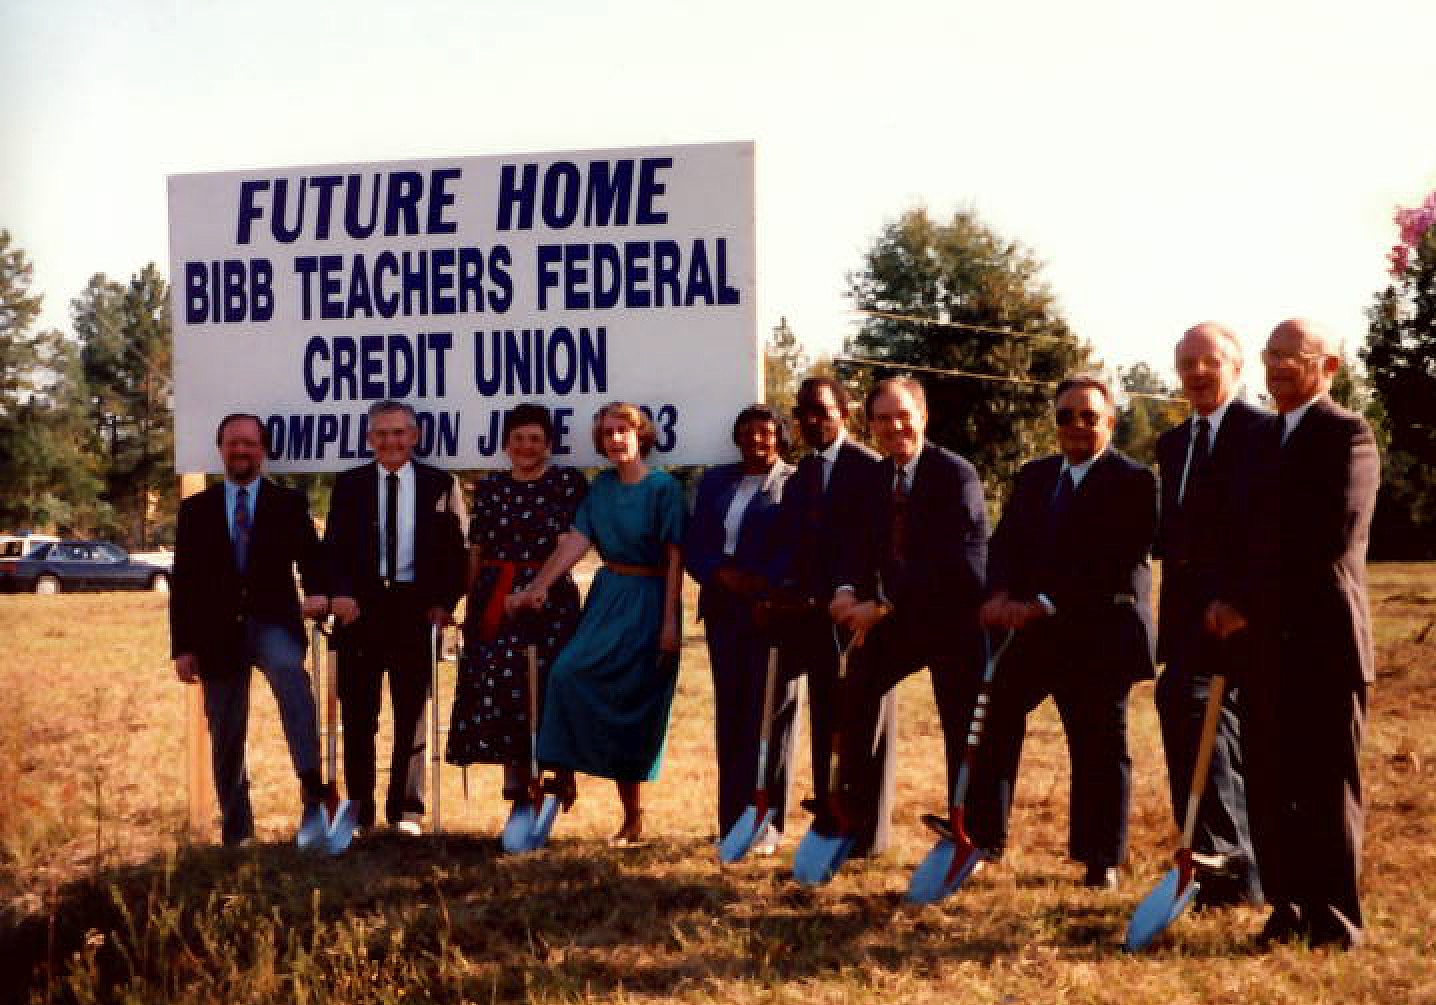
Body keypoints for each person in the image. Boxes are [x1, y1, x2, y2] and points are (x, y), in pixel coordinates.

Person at [967, 374, 1157, 889]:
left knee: (1098, 743)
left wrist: (1045, 603)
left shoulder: (1134, 482)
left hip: (1101, 633)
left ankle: (1102, 860)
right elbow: (1005, 545)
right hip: (1035, 633)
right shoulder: (1036, 476)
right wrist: (1000, 595)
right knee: (994, 715)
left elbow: (1113, 562)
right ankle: (983, 837)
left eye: (1089, 416)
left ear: (1110, 422)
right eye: (1066, 416)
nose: (1076, 426)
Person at [1242, 318, 1378, 949]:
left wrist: (1248, 599)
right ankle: (1287, 906)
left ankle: (1337, 920)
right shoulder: (1263, 440)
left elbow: (1330, 538)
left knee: (1327, 789)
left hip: (1325, 646)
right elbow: (1241, 534)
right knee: (1271, 787)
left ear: (1326, 365)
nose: (1274, 367)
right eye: (1268, 355)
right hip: (1266, 648)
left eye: (1289, 356)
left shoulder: (1349, 436)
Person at [510, 402, 687, 845]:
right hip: (608, 597)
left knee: (632, 703)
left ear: (640, 434)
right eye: (607, 433)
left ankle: (632, 817)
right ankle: (562, 775)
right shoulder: (602, 487)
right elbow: (577, 541)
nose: (615, 439)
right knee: (567, 674)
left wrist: (669, 623)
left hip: (649, 601)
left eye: (623, 430)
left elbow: (675, 558)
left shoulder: (664, 489)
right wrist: (539, 587)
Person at [828, 377, 988, 853]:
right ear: (870, 425)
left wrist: (880, 605)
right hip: (899, 618)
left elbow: (955, 563)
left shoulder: (955, 475)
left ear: (923, 417)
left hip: (954, 616)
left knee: (961, 722)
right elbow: (857, 546)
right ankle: (852, 813)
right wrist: (844, 590)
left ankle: (969, 827)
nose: (894, 426)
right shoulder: (874, 480)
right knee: (856, 689)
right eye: (882, 418)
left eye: (902, 416)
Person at [170, 413, 329, 846]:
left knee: (292, 680)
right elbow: (183, 581)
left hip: (273, 622)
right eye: (233, 443)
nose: (241, 451)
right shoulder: (196, 509)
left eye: (250, 444)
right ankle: (237, 829)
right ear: (220, 449)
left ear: (264, 450)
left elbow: (312, 560)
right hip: (216, 633)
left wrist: (317, 594)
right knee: (225, 729)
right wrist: (183, 647)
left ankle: (314, 798)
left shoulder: (289, 503)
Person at [1152, 323, 1267, 906]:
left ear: (1237, 366)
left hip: (1249, 616)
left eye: (1210, 361)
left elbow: (1271, 531)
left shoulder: (1264, 434)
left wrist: (1242, 601)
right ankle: (1207, 856)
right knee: (1180, 704)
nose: (1197, 373)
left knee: (1221, 725)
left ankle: (1238, 866)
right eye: (1187, 363)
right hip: (1191, 620)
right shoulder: (1173, 446)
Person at [324, 400, 467, 836]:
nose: (390, 441)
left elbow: (457, 554)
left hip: (416, 609)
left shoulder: (442, 484)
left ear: (415, 436)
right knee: (360, 713)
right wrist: (341, 595)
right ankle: (361, 812)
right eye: (381, 434)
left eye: (399, 433)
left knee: (413, 713)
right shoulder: (349, 485)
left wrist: (446, 602)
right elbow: (334, 550)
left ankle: (406, 810)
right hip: (361, 611)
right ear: (370, 440)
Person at [445, 404, 588, 813]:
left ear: (549, 444)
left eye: (536, 439)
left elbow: (570, 540)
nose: (527, 447)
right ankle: (516, 785)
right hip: (495, 596)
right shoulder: (490, 487)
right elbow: (478, 549)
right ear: (506, 443)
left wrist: (539, 586)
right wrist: (470, 604)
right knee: (502, 687)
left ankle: (558, 772)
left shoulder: (566, 482)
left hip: (549, 596)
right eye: (519, 439)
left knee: (547, 684)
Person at [776, 376, 896, 855]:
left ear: (844, 414)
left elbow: (880, 542)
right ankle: (831, 813)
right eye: (804, 411)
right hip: (815, 617)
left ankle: (869, 834)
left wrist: (865, 598)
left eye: (822, 411)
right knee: (827, 717)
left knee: (866, 723)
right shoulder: (802, 473)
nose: (811, 420)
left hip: (863, 616)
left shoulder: (869, 467)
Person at [684, 404, 799, 853]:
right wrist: (721, 574)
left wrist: (766, 587)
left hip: (771, 610)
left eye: (766, 433)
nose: (756, 440)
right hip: (722, 607)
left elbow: (799, 543)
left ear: (780, 438)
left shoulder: (796, 483)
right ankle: (733, 821)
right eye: (747, 433)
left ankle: (768, 819)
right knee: (732, 715)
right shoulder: (715, 481)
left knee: (770, 714)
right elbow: (696, 544)